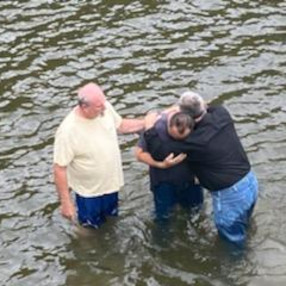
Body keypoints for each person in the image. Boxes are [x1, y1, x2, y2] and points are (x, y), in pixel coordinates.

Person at [143, 91, 259, 246]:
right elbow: (209, 107)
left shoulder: (194, 141)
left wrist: (149, 126)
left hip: (230, 195)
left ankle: (235, 268)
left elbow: (158, 151)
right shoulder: (222, 114)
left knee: (232, 242)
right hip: (250, 182)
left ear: (185, 116)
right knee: (245, 225)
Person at [53, 82, 148, 229]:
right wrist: (66, 203)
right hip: (89, 194)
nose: (104, 107)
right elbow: (59, 168)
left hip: (111, 185)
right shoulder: (68, 131)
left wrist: (146, 123)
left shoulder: (104, 107)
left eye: (104, 103)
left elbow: (121, 125)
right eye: (99, 106)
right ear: (84, 107)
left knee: (112, 221)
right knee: (90, 229)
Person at [135, 111, 204, 222]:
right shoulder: (154, 128)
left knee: (196, 211)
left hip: (191, 179)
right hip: (163, 181)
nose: (177, 142)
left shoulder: (197, 125)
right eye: (174, 136)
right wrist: (161, 164)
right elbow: (139, 155)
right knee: (164, 217)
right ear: (169, 125)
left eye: (182, 138)